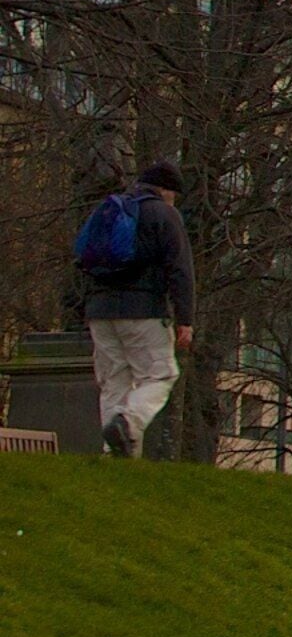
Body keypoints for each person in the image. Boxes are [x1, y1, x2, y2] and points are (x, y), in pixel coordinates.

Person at [78, 161, 195, 457]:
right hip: (143, 310)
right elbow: (180, 270)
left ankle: (115, 454)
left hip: (100, 313)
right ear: (166, 190)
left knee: (113, 382)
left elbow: (82, 259)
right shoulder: (164, 215)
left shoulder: (107, 210)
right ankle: (129, 424)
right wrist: (185, 320)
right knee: (160, 376)